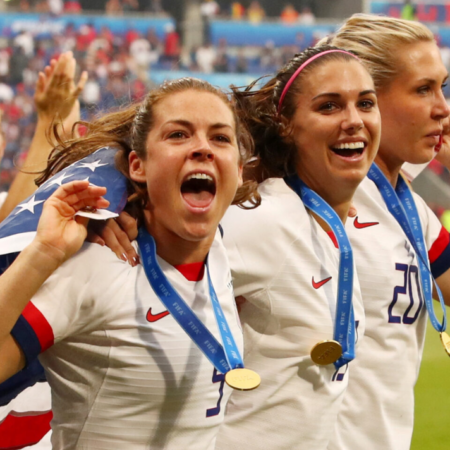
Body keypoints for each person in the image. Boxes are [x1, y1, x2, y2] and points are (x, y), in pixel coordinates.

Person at [0, 77, 257, 449]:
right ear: (137, 166)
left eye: (220, 138)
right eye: (178, 135)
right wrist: (45, 252)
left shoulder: (219, 248)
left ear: (239, 168)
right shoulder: (96, 269)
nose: (203, 147)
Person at [322, 14, 450, 450]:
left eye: (442, 87)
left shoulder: (414, 213)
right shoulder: (306, 194)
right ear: (367, 98)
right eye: (422, 89)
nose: (442, 108)